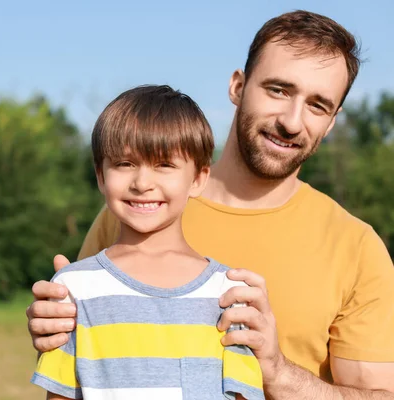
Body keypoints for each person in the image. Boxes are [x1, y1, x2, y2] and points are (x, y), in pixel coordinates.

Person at [27, 9, 394, 398]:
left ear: (332, 121)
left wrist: (279, 373)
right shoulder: (139, 210)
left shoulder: (356, 247)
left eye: (317, 105)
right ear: (238, 86)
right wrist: (53, 326)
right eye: (278, 90)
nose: (291, 120)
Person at [31, 84, 264, 400]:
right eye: (125, 164)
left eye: (164, 165)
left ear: (198, 178)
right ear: (100, 175)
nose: (142, 183)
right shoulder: (72, 289)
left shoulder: (229, 294)